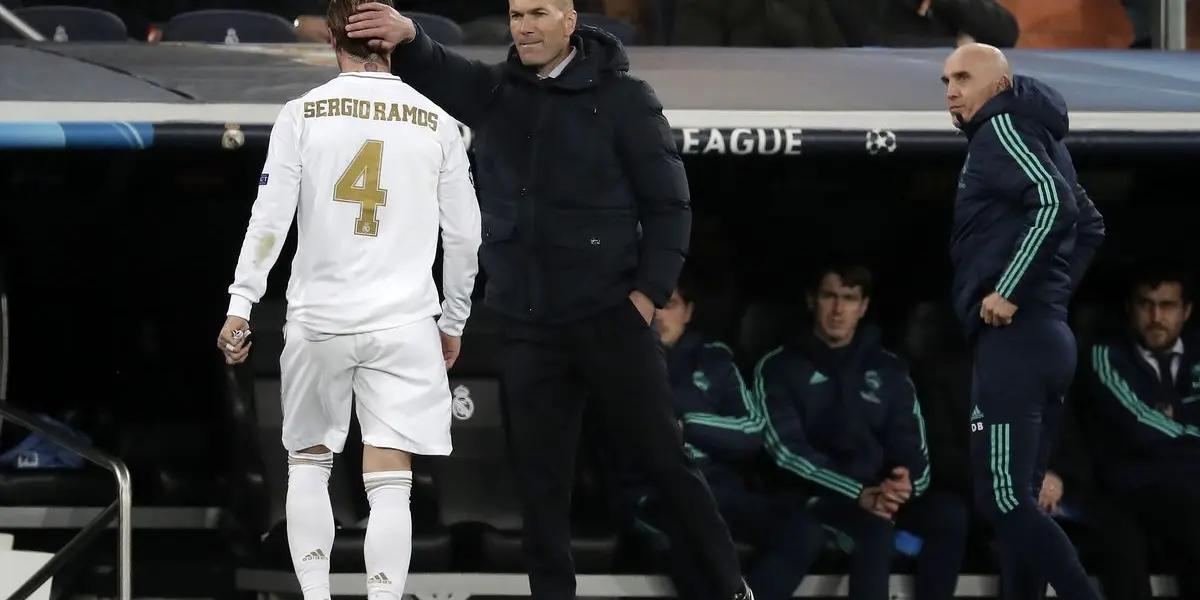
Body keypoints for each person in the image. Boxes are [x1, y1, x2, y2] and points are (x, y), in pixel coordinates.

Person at [344, 2, 754, 599]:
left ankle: (730, 590)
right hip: (527, 324)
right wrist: (408, 36)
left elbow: (669, 208)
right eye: (514, 14)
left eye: (538, 12)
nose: (523, 26)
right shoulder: (497, 93)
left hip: (609, 316)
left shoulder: (626, 99)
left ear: (570, 20)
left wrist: (645, 298)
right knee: (540, 489)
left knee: (666, 465)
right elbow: (441, 69)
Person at [215, 1, 482, 597]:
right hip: (405, 320)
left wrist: (241, 304)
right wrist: (455, 319)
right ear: (393, 42)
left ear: (333, 38)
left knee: (309, 463)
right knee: (391, 478)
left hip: (321, 318)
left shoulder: (301, 114)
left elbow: (269, 219)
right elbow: (465, 235)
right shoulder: (440, 121)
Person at [942, 43, 1105, 599]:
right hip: (1045, 337)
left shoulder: (1002, 129)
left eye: (964, 77)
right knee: (1023, 499)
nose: (951, 90)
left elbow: (1055, 205)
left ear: (1002, 84)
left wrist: (1014, 291)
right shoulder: (1041, 135)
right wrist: (1051, 294)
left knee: (1005, 501)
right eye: (946, 80)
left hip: (1017, 342)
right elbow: (1090, 224)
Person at [755, 264, 968, 600]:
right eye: (830, 297)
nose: (839, 310)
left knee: (950, 516)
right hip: (818, 497)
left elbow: (913, 444)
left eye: (850, 299)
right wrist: (858, 492)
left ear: (863, 306)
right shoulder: (780, 367)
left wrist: (904, 484)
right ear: (812, 301)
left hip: (881, 495)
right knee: (875, 531)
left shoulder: (890, 368)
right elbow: (787, 450)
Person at [1081, 264, 1200, 598]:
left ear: (1186, 311)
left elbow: (1160, 435)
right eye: (1146, 304)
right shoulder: (1106, 354)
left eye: (1167, 305)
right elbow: (1139, 427)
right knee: (1121, 544)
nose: (1155, 315)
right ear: (1129, 310)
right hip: (1130, 489)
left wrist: (1176, 431)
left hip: (1188, 490)